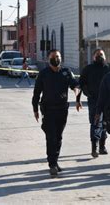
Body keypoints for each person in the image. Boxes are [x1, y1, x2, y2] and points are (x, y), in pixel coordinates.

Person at [32, 49, 79, 178]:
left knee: (58, 137)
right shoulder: (43, 74)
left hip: (62, 110)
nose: (56, 59)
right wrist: (35, 109)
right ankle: (52, 163)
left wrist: (76, 93)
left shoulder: (66, 72)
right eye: (53, 57)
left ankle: (55, 161)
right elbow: (36, 93)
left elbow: (75, 84)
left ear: (61, 58)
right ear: (49, 59)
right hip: (48, 110)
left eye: (58, 56)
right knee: (50, 136)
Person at [78, 49, 110, 158]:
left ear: (105, 56)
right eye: (97, 55)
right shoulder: (88, 69)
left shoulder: (109, 69)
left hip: (107, 101)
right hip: (94, 100)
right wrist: (81, 98)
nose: (99, 56)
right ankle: (94, 147)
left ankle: (102, 146)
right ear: (93, 57)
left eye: (101, 54)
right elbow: (81, 84)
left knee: (105, 124)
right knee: (95, 123)